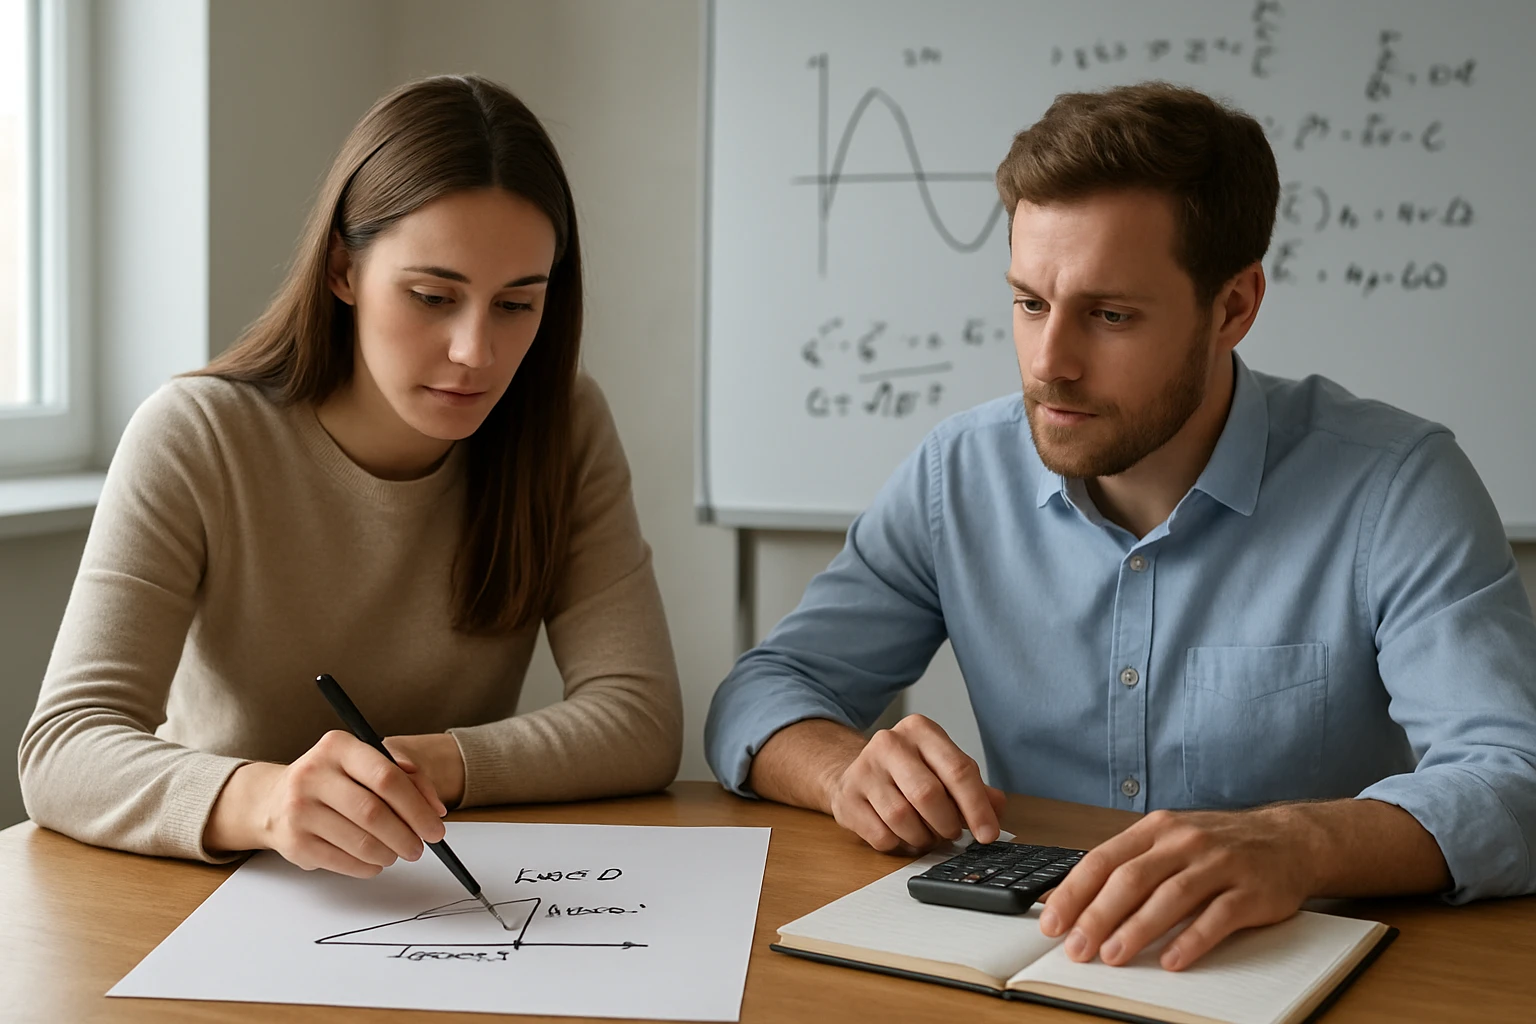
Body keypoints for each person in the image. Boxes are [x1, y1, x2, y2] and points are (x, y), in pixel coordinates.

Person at [706, 82, 1536, 971]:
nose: (1048, 365)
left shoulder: (1396, 485)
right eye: (1029, 303)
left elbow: (1515, 778)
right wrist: (844, 770)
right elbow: (761, 693)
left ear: (1233, 307)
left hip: (1279, 973)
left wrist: (1297, 843)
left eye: (1110, 315)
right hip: (1027, 959)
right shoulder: (959, 474)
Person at [20, 75, 682, 878]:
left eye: (516, 305)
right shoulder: (197, 435)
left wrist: (427, 771)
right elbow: (63, 747)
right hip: (208, 893)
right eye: (433, 296)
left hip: (431, 884)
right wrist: (267, 800)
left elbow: (641, 719)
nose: (477, 351)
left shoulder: (563, 425)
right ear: (343, 269)